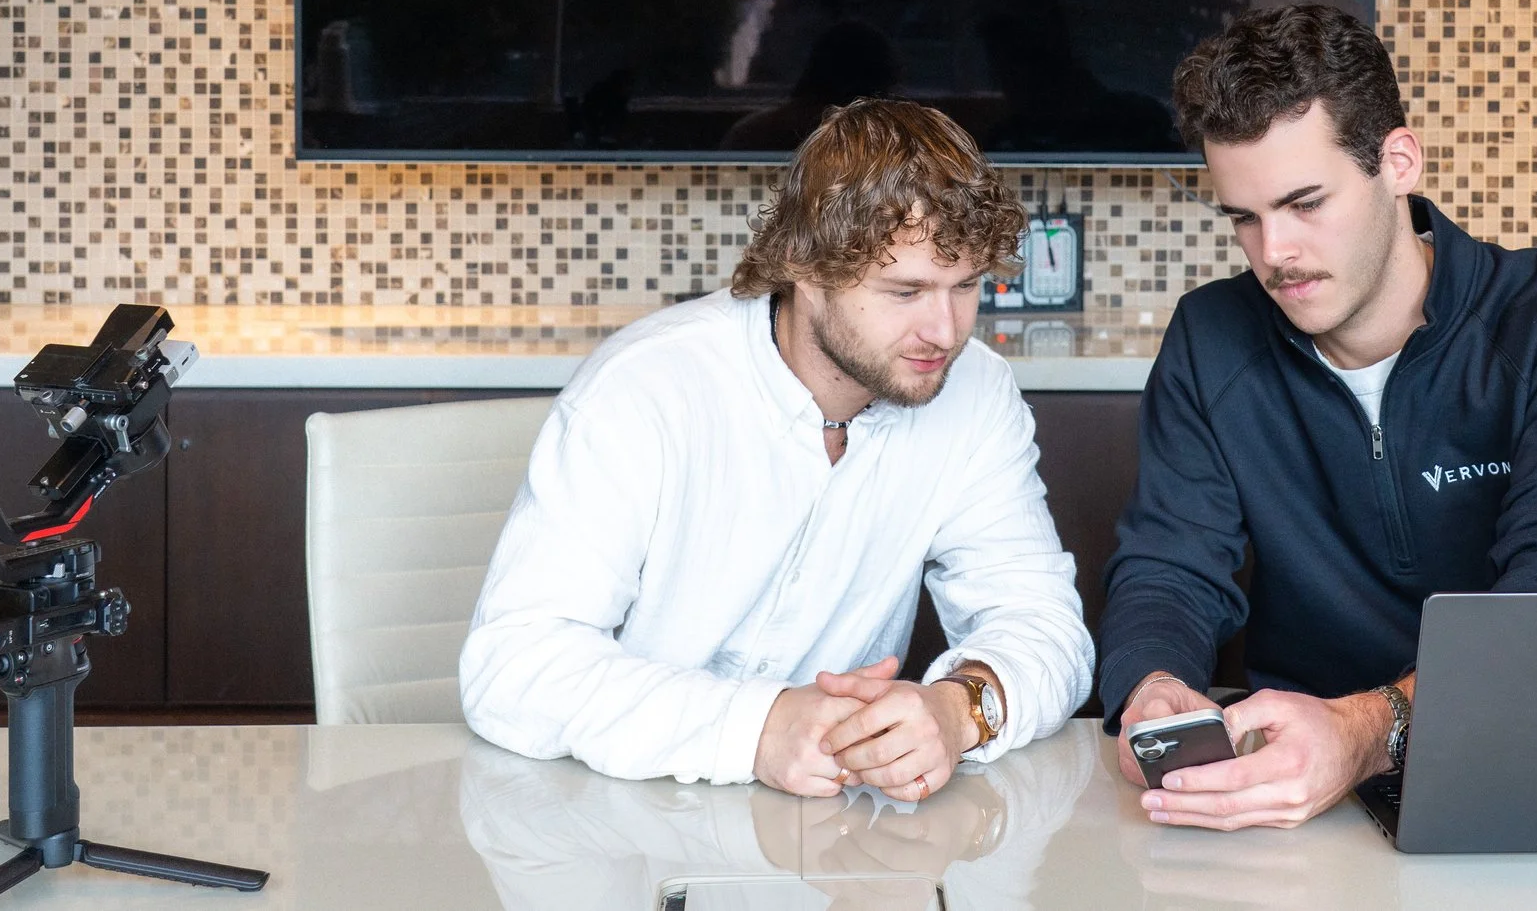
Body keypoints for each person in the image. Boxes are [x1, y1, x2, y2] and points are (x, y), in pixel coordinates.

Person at [1098, 3, 1537, 831]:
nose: (1274, 252)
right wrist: (1153, 686)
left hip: (1536, 761)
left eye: (1304, 202)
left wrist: (1371, 729)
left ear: (1398, 160)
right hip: (1291, 787)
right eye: (1244, 218)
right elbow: (1169, 567)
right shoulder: (1211, 337)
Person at [462, 98, 1092, 797]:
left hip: (826, 838)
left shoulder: (976, 394)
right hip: (611, 816)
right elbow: (513, 666)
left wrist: (958, 708)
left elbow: (1044, 626)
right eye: (905, 289)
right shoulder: (645, 387)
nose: (944, 330)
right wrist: (759, 727)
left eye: (966, 286)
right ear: (804, 265)